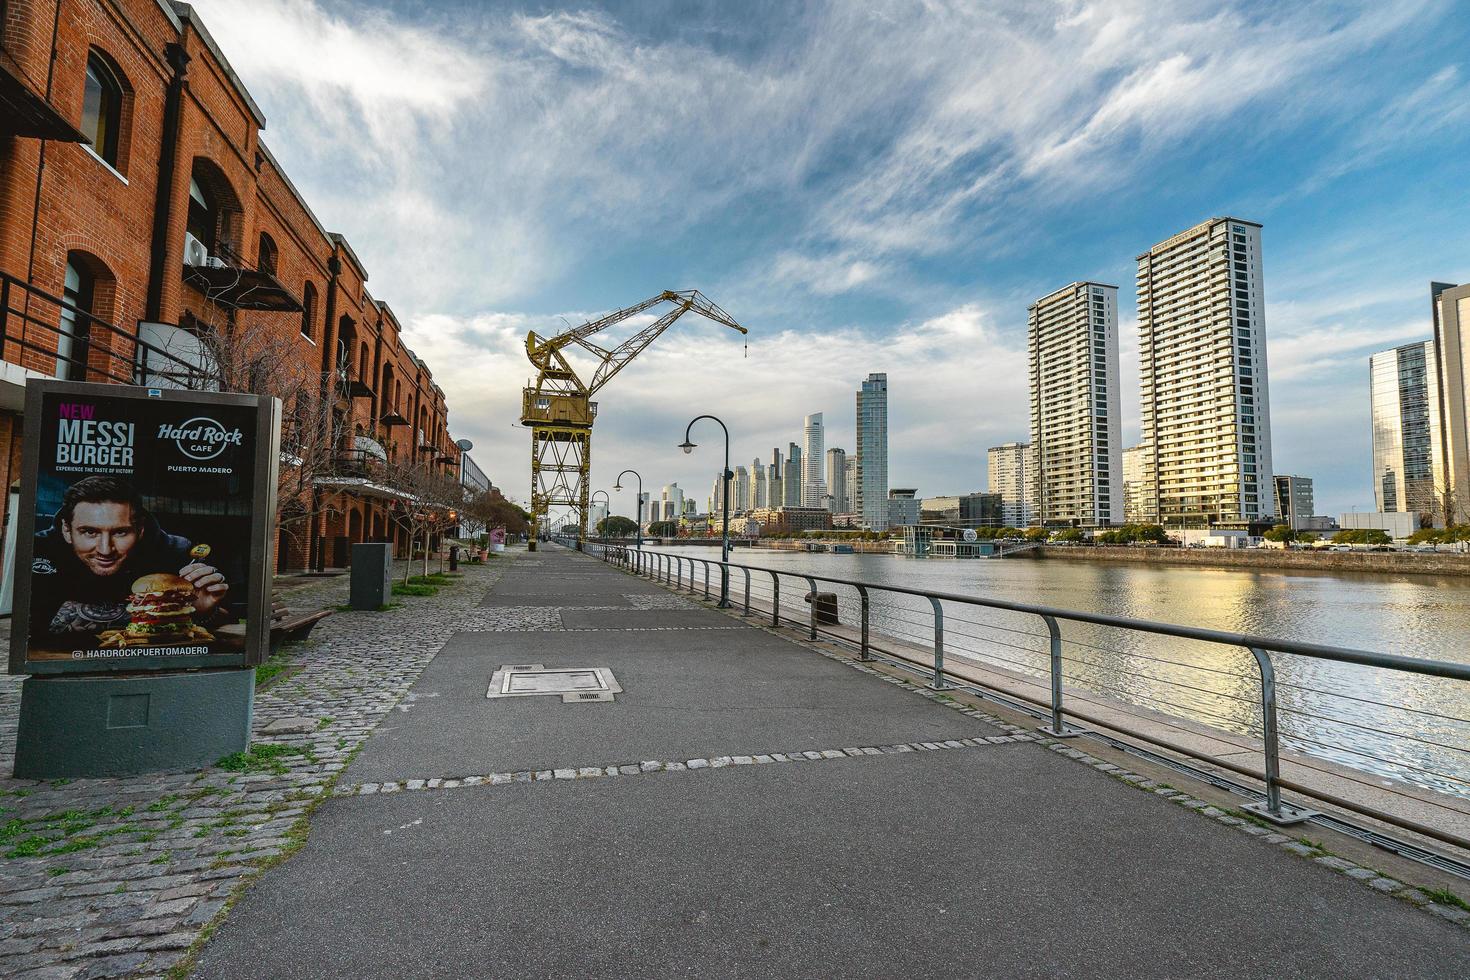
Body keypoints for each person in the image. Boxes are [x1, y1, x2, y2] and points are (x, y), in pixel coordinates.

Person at [30, 475, 229, 638]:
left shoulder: (175, 551)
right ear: (66, 530)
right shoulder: (40, 549)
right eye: (89, 532)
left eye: (120, 532)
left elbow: (227, 619)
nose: (105, 550)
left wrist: (203, 612)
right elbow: (32, 623)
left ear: (140, 529)